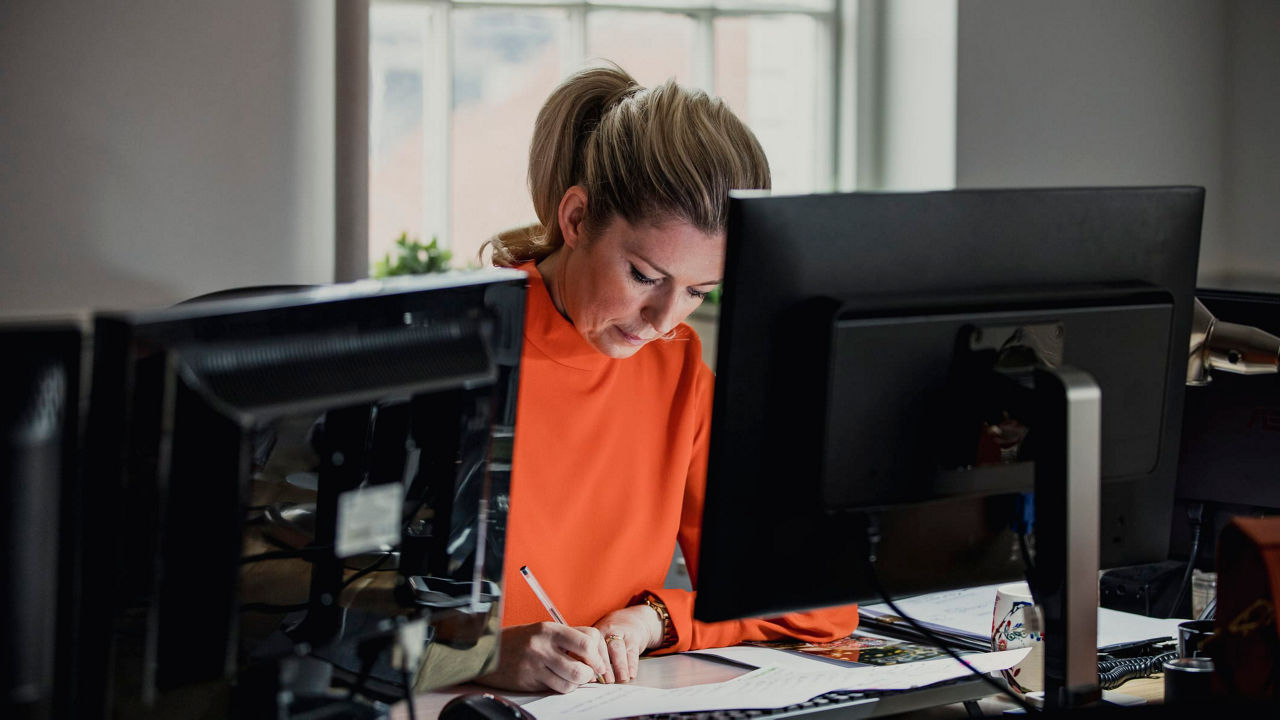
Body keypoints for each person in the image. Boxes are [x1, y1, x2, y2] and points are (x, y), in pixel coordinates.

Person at [478, 64, 860, 694]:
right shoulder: (456, 353)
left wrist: (656, 619)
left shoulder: (677, 367)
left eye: (698, 292)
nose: (662, 320)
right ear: (576, 219)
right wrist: (483, 656)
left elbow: (815, 605)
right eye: (644, 276)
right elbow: (311, 612)